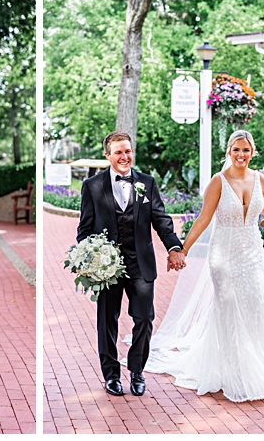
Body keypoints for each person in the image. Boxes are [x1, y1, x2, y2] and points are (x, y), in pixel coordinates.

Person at [138, 130, 264, 402]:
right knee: (229, 310)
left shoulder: (261, 180)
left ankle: (256, 368)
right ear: (228, 153)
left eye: (246, 150)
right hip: (224, 256)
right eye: (236, 150)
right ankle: (234, 374)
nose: (241, 155)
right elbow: (203, 219)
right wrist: (182, 249)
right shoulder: (218, 182)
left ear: (252, 152)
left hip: (252, 254)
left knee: (255, 309)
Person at [76, 131, 184, 398]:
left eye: (128, 151)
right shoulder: (92, 186)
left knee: (145, 318)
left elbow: (160, 219)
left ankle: (137, 371)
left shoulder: (146, 182)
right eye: (118, 152)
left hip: (140, 263)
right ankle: (111, 375)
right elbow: (84, 229)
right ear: (107, 155)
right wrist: (92, 257)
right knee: (107, 322)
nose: (124, 157)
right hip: (107, 268)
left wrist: (173, 246)